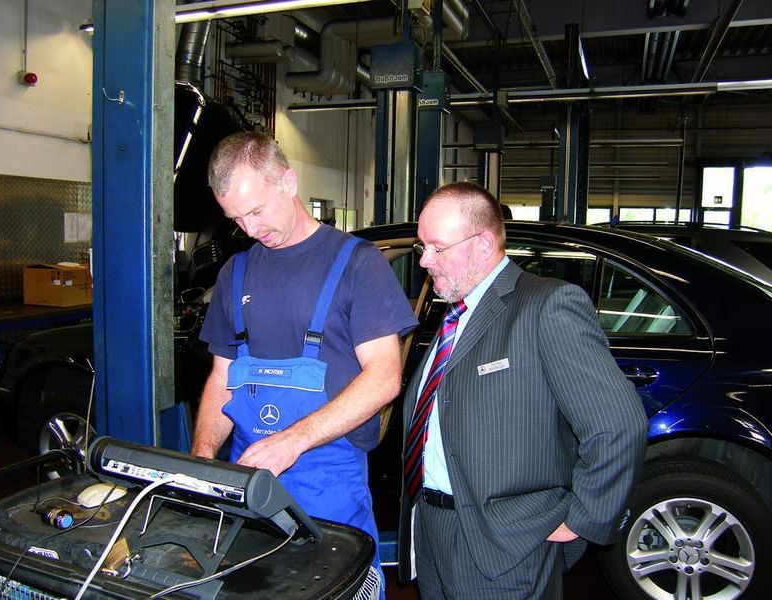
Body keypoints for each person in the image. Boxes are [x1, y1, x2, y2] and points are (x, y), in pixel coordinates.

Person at [397, 182, 647, 599]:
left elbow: (618, 425)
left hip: (506, 543)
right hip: (434, 530)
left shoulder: (546, 306)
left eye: (436, 248)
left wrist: (584, 518)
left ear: (482, 243)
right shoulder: (455, 316)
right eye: (422, 247)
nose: (424, 261)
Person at [192, 132, 418, 590]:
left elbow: (385, 379)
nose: (251, 229)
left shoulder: (358, 263)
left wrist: (292, 442)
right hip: (249, 473)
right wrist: (202, 458)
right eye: (237, 219)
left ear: (289, 183)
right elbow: (223, 378)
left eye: (256, 211)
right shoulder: (235, 273)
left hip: (328, 477)